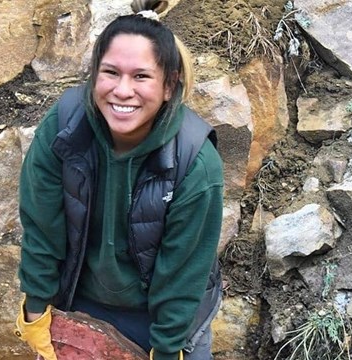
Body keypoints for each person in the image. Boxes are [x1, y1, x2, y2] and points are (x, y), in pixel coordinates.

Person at [15, 5, 224, 360]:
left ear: (169, 85)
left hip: (162, 317)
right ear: (94, 75)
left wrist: (168, 349)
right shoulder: (65, 127)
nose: (122, 91)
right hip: (80, 300)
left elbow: (183, 273)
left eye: (141, 76)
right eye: (110, 72)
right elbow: (41, 227)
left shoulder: (195, 162)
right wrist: (36, 310)